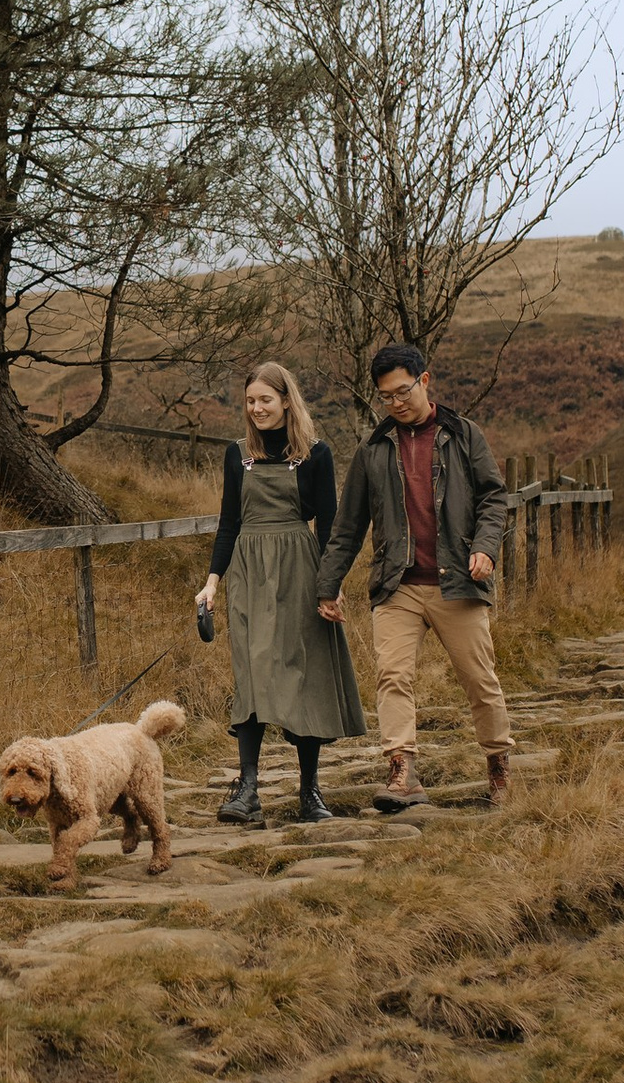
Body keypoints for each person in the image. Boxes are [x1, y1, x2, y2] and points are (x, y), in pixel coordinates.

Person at [316, 341, 517, 811]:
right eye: (386, 396)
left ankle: (499, 770)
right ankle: (402, 773)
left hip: (457, 584)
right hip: (397, 583)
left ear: (425, 381)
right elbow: (348, 526)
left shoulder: (465, 435)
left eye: (403, 391)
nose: (397, 402)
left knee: (479, 680)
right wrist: (328, 586)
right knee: (392, 675)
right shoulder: (373, 449)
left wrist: (486, 549)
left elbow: (494, 498)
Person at [195, 362, 365, 825]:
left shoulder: (316, 454)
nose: (257, 409)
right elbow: (229, 523)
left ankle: (310, 793)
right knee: (250, 676)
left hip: (299, 571)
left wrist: (330, 586)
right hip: (249, 573)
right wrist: (212, 582)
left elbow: (330, 523)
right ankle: (247, 790)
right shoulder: (237, 455)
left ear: (286, 400)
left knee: (300, 677)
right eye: (250, 401)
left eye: (265, 400)